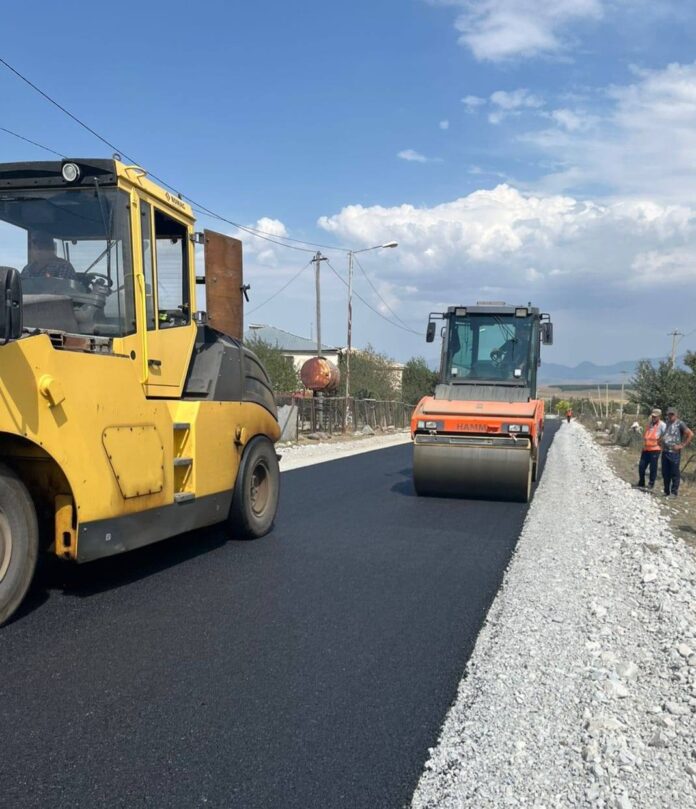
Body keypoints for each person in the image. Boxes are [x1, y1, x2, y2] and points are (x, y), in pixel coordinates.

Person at [659, 407, 693, 497]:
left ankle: (674, 492)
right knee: (665, 472)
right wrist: (661, 441)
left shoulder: (680, 423)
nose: (670, 416)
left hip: (674, 453)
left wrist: (682, 445)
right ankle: (666, 491)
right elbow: (666, 434)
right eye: (669, 414)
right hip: (665, 451)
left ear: (676, 415)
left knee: (674, 472)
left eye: (672, 414)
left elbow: (690, 434)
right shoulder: (667, 422)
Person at [635, 408, 665, 490]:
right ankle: (641, 482)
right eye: (653, 416)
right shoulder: (649, 423)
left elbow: (666, 434)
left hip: (655, 449)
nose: (653, 418)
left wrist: (661, 441)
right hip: (646, 449)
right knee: (641, 466)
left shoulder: (662, 425)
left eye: (655, 416)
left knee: (653, 468)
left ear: (659, 416)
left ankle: (651, 484)